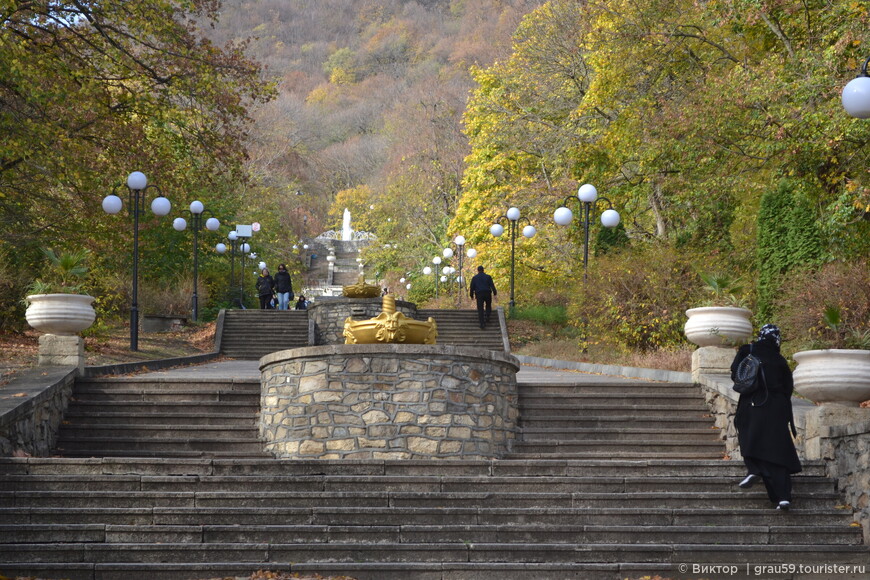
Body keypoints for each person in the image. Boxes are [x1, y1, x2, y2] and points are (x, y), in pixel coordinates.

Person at [731, 324, 801, 511]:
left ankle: (754, 469)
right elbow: (788, 386)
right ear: (777, 339)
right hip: (776, 406)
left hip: (752, 403)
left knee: (750, 438)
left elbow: (735, 374)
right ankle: (783, 497)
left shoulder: (748, 350)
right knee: (777, 451)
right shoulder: (779, 359)